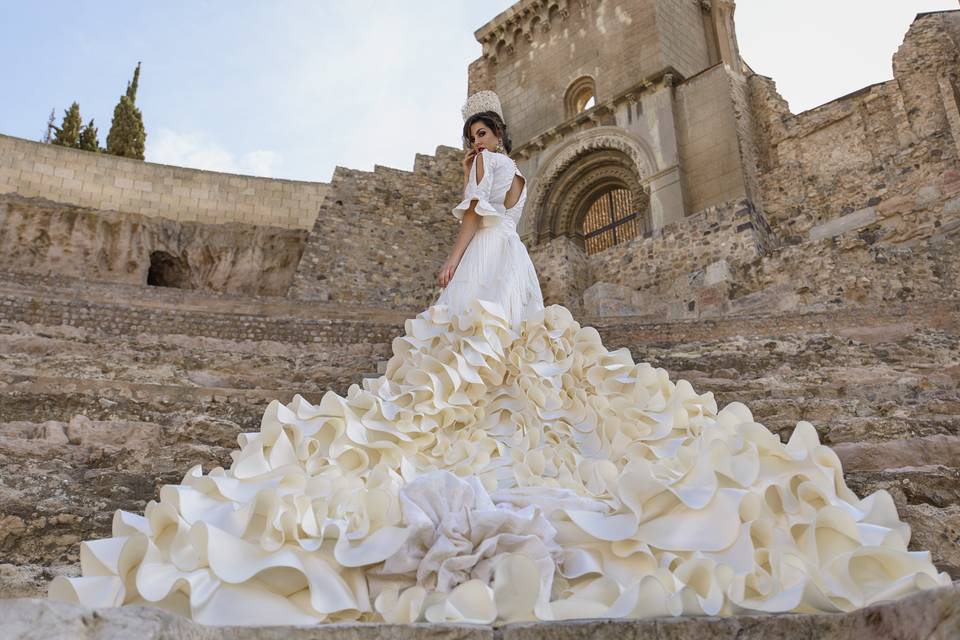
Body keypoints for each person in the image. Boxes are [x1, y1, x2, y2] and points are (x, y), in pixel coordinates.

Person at [48, 90, 952, 626]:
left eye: (475, 134)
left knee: (459, 337)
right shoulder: (524, 174)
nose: (475, 145)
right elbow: (510, 215)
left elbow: (476, 224)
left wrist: (444, 266)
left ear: (482, 136)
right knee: (520, 342)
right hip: (520, 263)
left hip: (490, 258)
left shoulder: (484, 179)